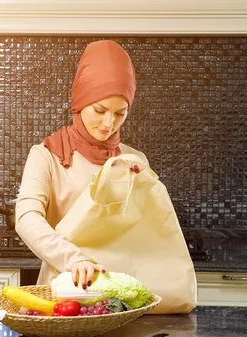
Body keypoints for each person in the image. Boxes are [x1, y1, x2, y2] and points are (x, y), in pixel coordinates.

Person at [15, 40, 150, 289]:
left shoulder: (134, 161)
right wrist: (74, 259)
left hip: (123, 291)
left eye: (120, 113)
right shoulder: (47, 156)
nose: (109, 123)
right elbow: (26, 217)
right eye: (100, 110)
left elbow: (146, 231)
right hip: (66, 287)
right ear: (79, 103)